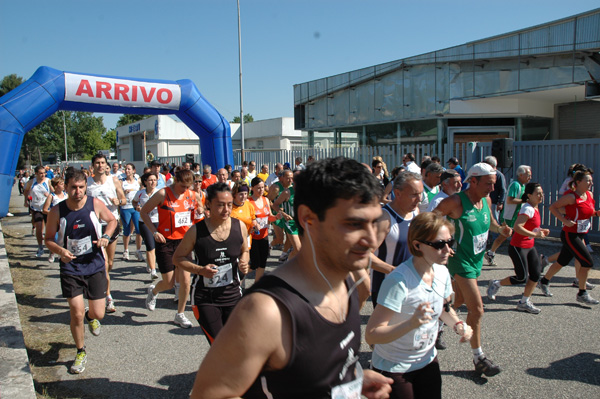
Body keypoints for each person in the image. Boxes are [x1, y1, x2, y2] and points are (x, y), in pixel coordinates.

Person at [189, 157, 393, 399]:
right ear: (309, 219)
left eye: (373, 222)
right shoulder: (268, 310)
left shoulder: (347, 282)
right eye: (353, 223)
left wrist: (351, 379)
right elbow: (209, 395)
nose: (371, 239)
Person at [366, 213, 473, 399]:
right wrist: (411, 324)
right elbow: (372, 334)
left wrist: (457, 325)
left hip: (427, 361)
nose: (447, 249)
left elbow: (444, 308)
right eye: (439, 244)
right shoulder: (398, 281)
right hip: (393, 366)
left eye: (450, 242)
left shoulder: (442, 272)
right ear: (417, 245)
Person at [434, 162, 511, 377]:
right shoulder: (455, 202)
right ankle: (479, 358)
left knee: (456, 301)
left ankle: (436, 324)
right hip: (460, 261)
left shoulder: (485, 200)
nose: (492, 189)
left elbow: (491, 223)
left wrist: (500, 229)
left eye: (493, 184)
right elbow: (429, 221)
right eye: (488, 184)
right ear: (473, 181)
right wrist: (442, 244)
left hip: (476, 261)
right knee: (476, 309)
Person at [44, 169, 117, 374]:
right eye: (73, 187)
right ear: (65, 187)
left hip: (94, 264)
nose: (78, 191)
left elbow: (112, 220)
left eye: (81, 187)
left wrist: (106, 236)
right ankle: (80, 351)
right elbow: (48, 238)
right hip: (70, 266)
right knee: (75, 312)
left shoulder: (94, 204)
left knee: (99, 313)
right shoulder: (56, 211)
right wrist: (60, 251)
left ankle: (90, 315)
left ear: (86, 187)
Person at [173, 182, 250, 343]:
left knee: (235, 342)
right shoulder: (196, 231)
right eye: (220, 205)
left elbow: (245, 250)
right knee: (219, 344)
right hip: (205, 298)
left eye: (229, 205)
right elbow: (177, 258)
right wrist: (200, 270)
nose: (226, 210)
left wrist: (244, 261)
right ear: (208, 204)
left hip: (233, 294)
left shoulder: (239, 226)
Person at [141, 169, 199, 328]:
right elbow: (144, 212)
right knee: (169, 282)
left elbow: (199, 213)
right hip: (165, 241)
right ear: (175, 181)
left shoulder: (192, 195)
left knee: (186, 281)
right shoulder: (162, 194)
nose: (184, 190)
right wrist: (154, 232)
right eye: (182, 186)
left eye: (188, 186)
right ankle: (153, 292)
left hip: (185, 242)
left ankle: (180, 314)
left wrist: (200, 212)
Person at [538, 169, 600, 304]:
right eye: (587, 180)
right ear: (578, 182)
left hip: (581, 234)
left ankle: (543, 281)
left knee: (562, 261)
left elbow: (587, 212)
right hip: (570, 235)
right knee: (587, 262)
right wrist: (564, 220)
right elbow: (553, 207)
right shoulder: (571, 197)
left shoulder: (588, 195)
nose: (591, 183)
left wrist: (596, 214)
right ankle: (582, 293)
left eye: (591, 180)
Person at [487, 183, 550, 313]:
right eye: (538, 193)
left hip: (529, 246)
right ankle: (496, 284)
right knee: (521, 277)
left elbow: (529, 226)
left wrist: (540, 230)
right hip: (518, 247)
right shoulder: (527, 208)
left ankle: (524, 302)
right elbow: (517, 227)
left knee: (535, 274)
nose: (541, 195)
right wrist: (535, 234)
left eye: (542, 193)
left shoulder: (535, 207)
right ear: (529, 195)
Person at [371, 172, 422, 308]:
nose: (419, 199)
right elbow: (364, 255)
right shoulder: (384, 219)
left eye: (420, 194)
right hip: (387, 288)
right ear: (397, 193)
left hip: (412, 285)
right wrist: (394, 270)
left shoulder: (415, 212)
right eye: (414, 195)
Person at [86, 154, 127, 313]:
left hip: (111, 223)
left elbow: (123, 199)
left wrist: (119, 202)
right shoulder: (88, 182)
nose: (100, 165)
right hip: (94, 225)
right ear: (93, 166)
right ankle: (108, 297)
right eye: (97, 163)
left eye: (103, 163)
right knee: (102, 264)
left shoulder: (114, 180)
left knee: (109, 263)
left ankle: (102, 283)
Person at [485, 165, 531, 266]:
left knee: (507, 236)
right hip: (509, 216)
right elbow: (510, 200)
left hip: (516, 216)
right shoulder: (515, 185)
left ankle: (491, 253)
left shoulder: (522, 185)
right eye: (528, 175)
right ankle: (491, 253)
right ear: (521, 175)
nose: (530, 177)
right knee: (506, 235)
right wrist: (524, 201)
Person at [249, 177, 279, 282]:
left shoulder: (265, 200)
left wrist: (276, 217)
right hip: (252, 237)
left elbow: (269, 217)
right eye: (258, 188)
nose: (261, 190)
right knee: (254, 264)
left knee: (262, 263)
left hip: (264, 235)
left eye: (262, 187)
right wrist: (254, 223)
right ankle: (239, 280)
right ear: (252, 188)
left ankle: (257, 285)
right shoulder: (248, 201)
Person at [133, 172, 160, 280]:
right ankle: (153, 271)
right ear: (145, 182)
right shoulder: (140, 193)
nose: (153, 182)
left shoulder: (160, 192)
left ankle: (150, 262)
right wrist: (137, 207)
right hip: (144, 221)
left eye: (154, 180)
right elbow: (134, 202)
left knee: (158, 246)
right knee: (150, 245)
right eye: (150, 180)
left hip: (158, 221)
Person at [269, 169, 301, 261]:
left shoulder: (301, 191)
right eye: (288, 178)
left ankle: (284, 256)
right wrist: (282, 213)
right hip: (279, 216)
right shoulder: (278, 188)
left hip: (298, 222)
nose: (290, 180)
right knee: (280, 239)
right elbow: (269, 201)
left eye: (291, 178)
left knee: (291, 242)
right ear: (282, 178)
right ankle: (269, 246)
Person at [24, 165, 54, 258]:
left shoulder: (48, 181)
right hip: (36, 208)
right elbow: (26, 190)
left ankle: (51, 250)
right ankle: (40, 247)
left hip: (47, 209)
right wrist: (25, 200)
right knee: (39, 228)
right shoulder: (31, 182)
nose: (43, 175)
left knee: (49, 230)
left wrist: (48, 194)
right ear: (36, 173)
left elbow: (54, 192)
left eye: (44, 173)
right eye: (40, 173)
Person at [120, 163, 143, 262]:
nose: (127, 171)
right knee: (127, 230)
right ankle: (126, 250)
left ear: (134, 171)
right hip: (126, 208)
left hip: (136, 208)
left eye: (129, 169)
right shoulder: (122, 182)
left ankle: (138, 250)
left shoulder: (138, 181)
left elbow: (142, 191)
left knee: (139, 230)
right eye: (126, 169)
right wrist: (123, 193)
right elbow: (118, 194)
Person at [42, 177, 68, 263]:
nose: (63, 186)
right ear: (56, 186)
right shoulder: (51, 196)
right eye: (61, 184)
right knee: (55, 239)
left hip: (65, 219)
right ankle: (52, 252)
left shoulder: (66, 195)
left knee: (64, 238)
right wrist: (54, 214)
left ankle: (63, 253)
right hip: (55, 221)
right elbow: (45, 210)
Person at [231, 181, 259, 250]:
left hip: (246, 237)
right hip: (232, 239)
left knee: (245, 259)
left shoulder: (249, 205)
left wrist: (255, 226)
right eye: (241, 194)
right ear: (235, 194)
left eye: (245, 194)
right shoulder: (229, 206)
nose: (244, 197)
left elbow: (253, 220)